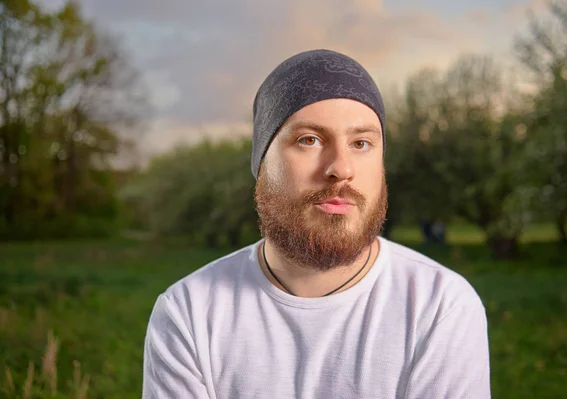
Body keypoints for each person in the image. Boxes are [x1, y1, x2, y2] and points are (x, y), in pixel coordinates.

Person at [142, 49, 490, 398]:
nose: (341, 168)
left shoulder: (440, 307)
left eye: (361, 143)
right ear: (263, 163)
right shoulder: (188, 314)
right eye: (309, 140)